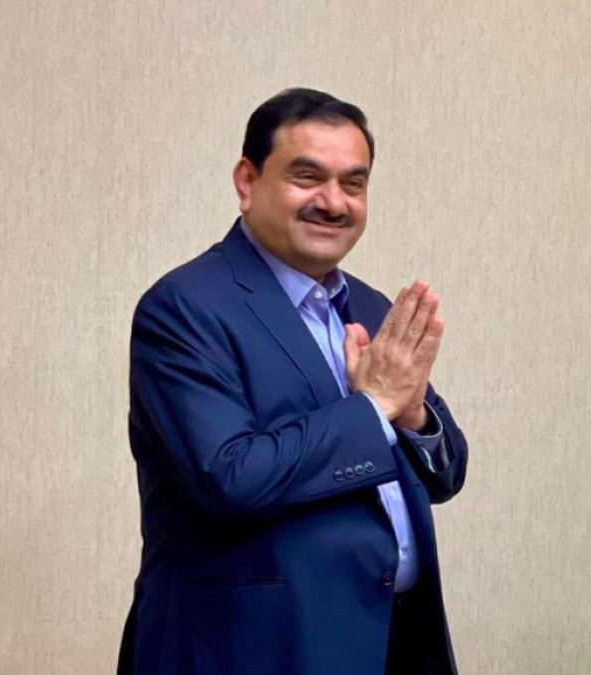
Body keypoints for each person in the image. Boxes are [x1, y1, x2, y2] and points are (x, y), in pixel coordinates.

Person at [117, 88, 469, 675]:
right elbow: (230, 477)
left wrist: (411, 418)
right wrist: (375, 406)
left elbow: (446, 472)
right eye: (308, 177)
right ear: (247, 181)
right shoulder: (183, 308)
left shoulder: (373, 306)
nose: (334, 202)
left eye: (353, 184)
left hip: (394, 641)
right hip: (252, 650)